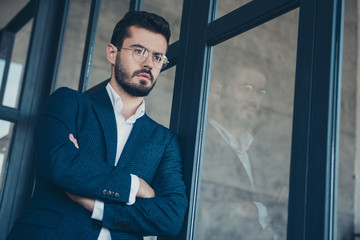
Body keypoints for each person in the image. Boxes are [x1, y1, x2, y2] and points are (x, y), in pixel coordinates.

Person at [7, 11, 187, 240]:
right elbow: (59, 163)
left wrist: (97, 206)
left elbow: (171, 218)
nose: (148, 63)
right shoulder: (69, 103)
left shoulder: (164, 141)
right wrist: (136, 186)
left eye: (157, 57)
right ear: (112, 53)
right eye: (139, 51)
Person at [197, 66, 288, 240]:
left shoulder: (262, 153)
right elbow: (203, 213)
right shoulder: (198, 142)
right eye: (246, 89)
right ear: (217, 91)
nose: (254, 100)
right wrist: (264, 209)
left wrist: (256, 209)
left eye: (260, 92)